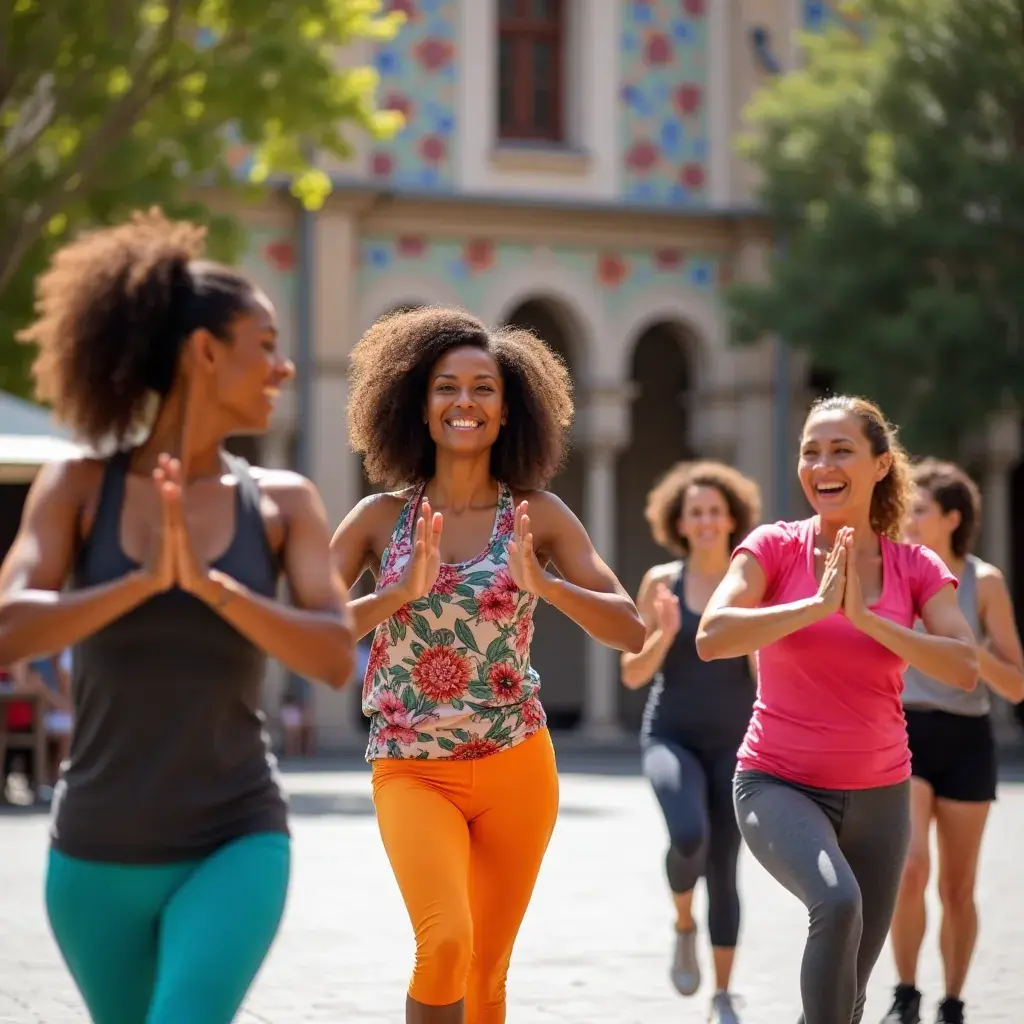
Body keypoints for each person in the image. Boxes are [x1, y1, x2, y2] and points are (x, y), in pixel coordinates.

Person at [0, 209, 355, 1024]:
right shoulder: (77, 488)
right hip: (92, 856)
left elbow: (335, 655)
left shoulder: (282, 504)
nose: (284, 367)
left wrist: (211, 586)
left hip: (237, 838)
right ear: (203, 352)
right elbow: (10, 627)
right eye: (263, 345)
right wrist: (144, 582)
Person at [330, 306, 645, 1024]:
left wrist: (550, 586)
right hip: (411, 764)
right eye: (446, 387)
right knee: (444, 945)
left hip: (516, 765)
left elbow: (630, 629)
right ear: (418, 403)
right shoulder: (380, 518)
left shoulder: (541, 514)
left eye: (483, 389)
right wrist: (395, 595)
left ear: (509, 412)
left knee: (488, 974)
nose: (464, 402)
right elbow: (308, 632)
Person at [695, 395, 978, 1024]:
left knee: (847, 997)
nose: (822, 463)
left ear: (880, 465)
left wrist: (866, 621)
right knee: (836, 902)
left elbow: (964, 667)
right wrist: (815, 608)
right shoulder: (774, 547)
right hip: (776, 783)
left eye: (841, 450)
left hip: (882, 797)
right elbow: (712, 636)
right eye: (811, 451)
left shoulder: (915, 565)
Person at [882, 459, 1024, 1024]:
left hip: (968, 738)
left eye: (920, 510)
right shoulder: (896, 570)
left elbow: (1015, 683)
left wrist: (964, 648)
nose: (909, 519)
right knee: (911, 868)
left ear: (952, 519)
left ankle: (954, 1002)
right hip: (907, 731)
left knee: (958, 888)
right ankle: (906, 993)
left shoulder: (985, 582)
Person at [621, 461, 761, 1024]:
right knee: (688, 838)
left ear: (732, 518)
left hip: (737, 744)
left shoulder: (752, 583)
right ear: (679, 521)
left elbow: (767, 673)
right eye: (694, 512)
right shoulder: (661, 582)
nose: (705, 521)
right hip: (671, 735)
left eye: (713, 511)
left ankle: (723, 996)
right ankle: (683, 923)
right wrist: (666, 634)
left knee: (725, 866)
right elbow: (632, 673)